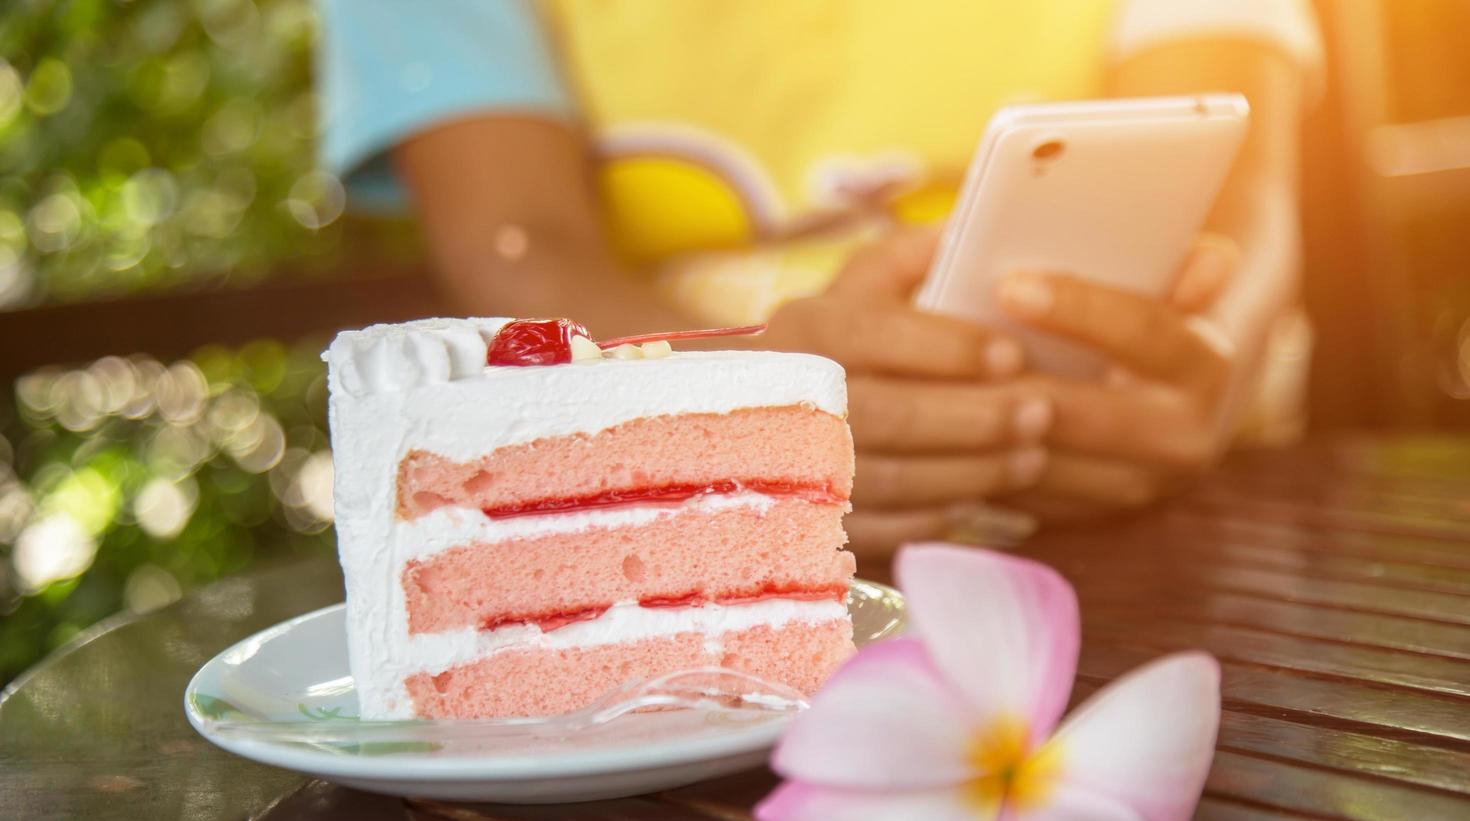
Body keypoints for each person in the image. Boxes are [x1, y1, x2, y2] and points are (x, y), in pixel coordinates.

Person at [318, 1, 1322, 560]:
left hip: (1168, 525)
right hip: (697, 545)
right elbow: (517, 241)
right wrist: (753, 413)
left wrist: (1207, 374)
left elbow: (1239, 189)